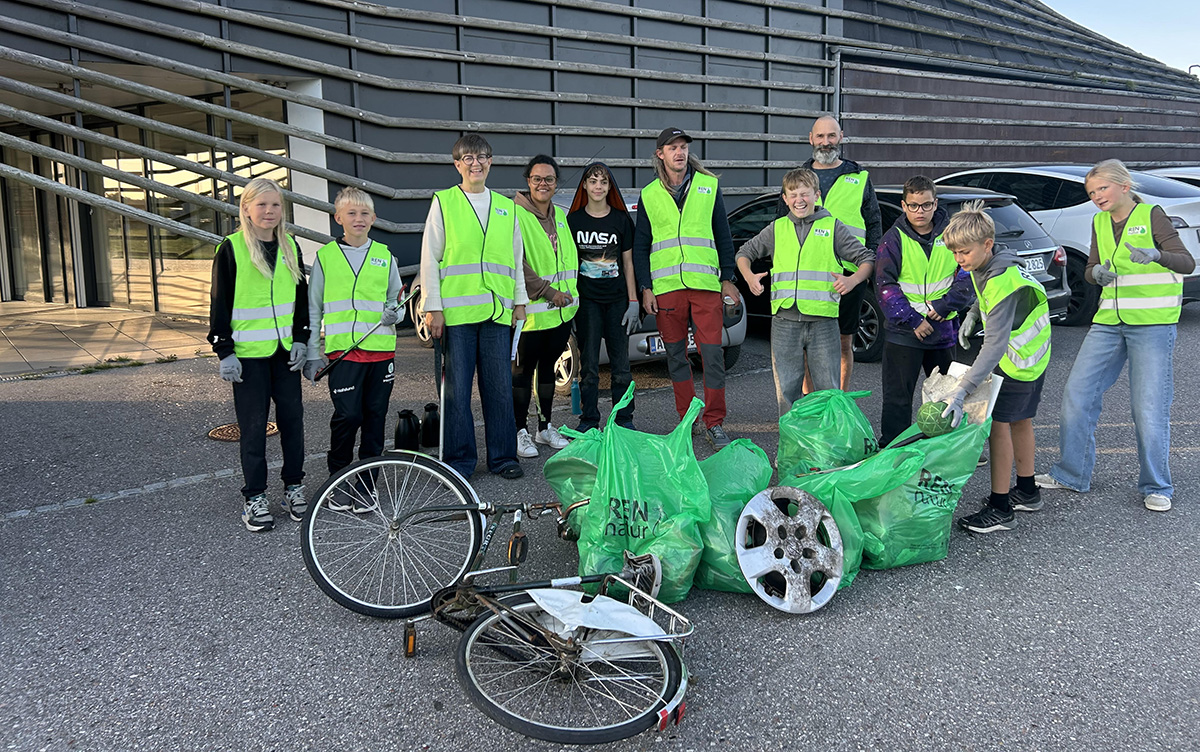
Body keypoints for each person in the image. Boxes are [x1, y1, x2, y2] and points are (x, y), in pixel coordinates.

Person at [1036, 159, 1194, 512]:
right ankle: (1071, 474)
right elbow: (1091, 269)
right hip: (1108, 321)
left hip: (1152, 324)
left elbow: (1187, 263)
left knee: (1148, 408)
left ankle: (1157, 487)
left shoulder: (1152, 215)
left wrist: (1158, 255)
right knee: (1077, 395)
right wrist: (1096, 275)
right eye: (1091, 192)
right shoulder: (1099, 221)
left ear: (1124, 185)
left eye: (1102, 189)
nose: (1096, 197)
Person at [419, 134, 527, 480]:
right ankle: (459, 462)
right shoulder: (444, 202)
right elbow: (430, 258)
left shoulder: (507, 207)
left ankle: (503, 457)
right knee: (456, 394)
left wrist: (520, 302)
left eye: (481, 157)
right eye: (468, 158)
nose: (475, 163)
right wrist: (432, 307)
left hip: (496, 313)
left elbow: (515, 260)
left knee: (499, 390)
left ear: (491, 162)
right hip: (456, 315)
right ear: (457, 165)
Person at [207, 177, 309, 532]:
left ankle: (294, 487)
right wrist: (224, 351)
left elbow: (301, 300)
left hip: (284, 354)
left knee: (293, 421)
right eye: (262, 205)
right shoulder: (232, 248)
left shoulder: (290, 246)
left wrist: (302, 340)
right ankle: (254, 496)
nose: (269, 212)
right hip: (248, 356)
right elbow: (219, 304)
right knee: (252, 428)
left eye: (275, 205)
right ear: (246, 209)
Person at [943, 201, 1051, 534]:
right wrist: (974, 314)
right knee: (1021, 420)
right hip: (1034, 354)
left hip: (1015, 359)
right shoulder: (992, 263)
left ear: (987, 243)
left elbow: (994, 347)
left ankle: (1001, 506)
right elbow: (985, 294)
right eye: (956, 253)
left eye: (964, 252)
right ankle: (1029, 490)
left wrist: (963, 389)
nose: (960, 259)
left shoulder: (1001, 279)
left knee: (999, 427)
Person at [631, 127, 741, 449]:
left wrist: (727, 277)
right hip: (666, 290)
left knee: (712, 358)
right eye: (672, 148)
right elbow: (641, 246)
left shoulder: (709, 186)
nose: (679, 152)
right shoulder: (649, 194)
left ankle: (715, 422)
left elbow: (723, 235)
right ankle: (687, 418)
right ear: (660, 155)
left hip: (705, 286)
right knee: (676, 358)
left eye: (683, 147)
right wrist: (645, 288)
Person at [736, 167, 874, 415]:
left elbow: (867, 260)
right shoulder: (776, 229)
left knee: (828, 393)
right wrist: (748, 276)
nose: (799, 200)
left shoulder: (833, 227)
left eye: (805, 194)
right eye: (793, 194)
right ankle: (791, 449)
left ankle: (827, 449)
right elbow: (744, 253)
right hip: (784, 323)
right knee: (786, 394)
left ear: (816, 195)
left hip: (823, 324)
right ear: (785, 199)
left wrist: (852, 281)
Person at [303, 187, 404, 513]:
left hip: (380, 353)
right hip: (343, 354)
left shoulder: (386, 257)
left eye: (364, 214)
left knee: (375, 420)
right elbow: (313, 308)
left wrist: (395, 313)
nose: (358, 219)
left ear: (373, 218)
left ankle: (366, 486)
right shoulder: (326, 258)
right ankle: (339, 478)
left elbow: (398, 302)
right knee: (348, 417)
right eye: (351, 213)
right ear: (338, 218)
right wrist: (312, 351)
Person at [875, 176, 974, 446]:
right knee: (897, 398)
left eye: (927, 205)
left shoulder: (951, 234)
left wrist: (945, 306)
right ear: (904, 205)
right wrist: (913, 320)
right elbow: (885, 285)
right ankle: (894, 449)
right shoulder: (892, 240)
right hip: (904, 333)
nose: (921, 211)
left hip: (943, 331)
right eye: (914, 205)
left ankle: (949, 448)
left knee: (947, 396)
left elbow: (967, 273)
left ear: (936, 203)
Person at [803, 115, 883, 391]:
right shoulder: (798, 179)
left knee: (843, 341)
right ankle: (809, 403)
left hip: (849, 275)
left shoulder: (859, 177)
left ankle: (840, 400)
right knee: (807, 344)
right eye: (821, 136)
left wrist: (869, 265)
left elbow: (873, 223)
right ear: (811, 139)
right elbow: (782, 227)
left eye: (832, 136)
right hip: (809, 275)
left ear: (842, 137)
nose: (826, 142)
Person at [512, 155, 578, 458]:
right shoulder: (513, 215)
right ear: (528, 181)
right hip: (531, 314)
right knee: (522, 373)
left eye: (549, 179)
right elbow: (516, 264)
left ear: (556, 183)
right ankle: (520, 432)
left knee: (548, 372)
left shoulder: (561, 216)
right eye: (537, 178)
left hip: (561, 314)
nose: (543, 184)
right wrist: (548, 292)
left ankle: (544, 426)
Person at [567, 162, 638, 431]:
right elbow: (569, 264)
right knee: (590, 367)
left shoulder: (621, 220)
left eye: (603, 182)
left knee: (621, 365)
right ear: (584, 185)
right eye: (593, 181)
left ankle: (623, 419)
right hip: (587, 302)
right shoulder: (573, 221)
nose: (598, 187)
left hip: (618, 300)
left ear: (610, 187)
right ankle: (589, 420)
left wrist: (633, 302)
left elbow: (628, 264)